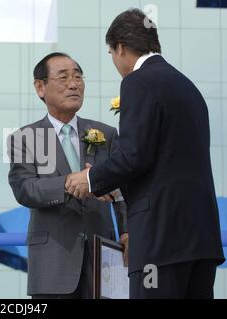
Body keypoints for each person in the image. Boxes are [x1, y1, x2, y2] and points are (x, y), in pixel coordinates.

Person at [66, 9, 225, 298]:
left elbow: (134, 155)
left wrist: (91, 178)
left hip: (160, 241)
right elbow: (163, 162)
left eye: (111, 53)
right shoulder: (188, 87)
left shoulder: (137, 82)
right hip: (200, 240)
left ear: (121, 48)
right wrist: (114, 188)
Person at [7, 52, 128, 299]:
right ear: (40, 87)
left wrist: (127, 231)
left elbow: (123, 191)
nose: (74, 84)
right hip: (53, 265)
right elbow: (25, 189)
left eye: (78, 77)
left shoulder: (105, 134)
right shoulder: (25, 138)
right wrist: (72, 182)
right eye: (63, 78)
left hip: (103, 260)